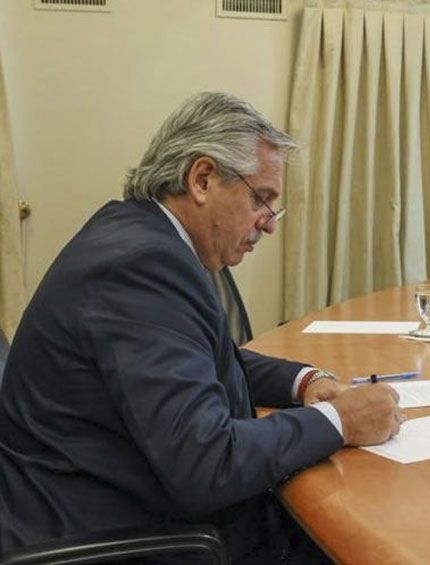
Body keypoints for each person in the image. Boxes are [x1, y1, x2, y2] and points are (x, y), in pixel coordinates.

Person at [0, 92, 404, 563]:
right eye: (262, 199)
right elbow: (207, 463)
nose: (269, 225)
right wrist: (341, 421)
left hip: (98, 498)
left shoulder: (137, 235)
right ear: (203, 179)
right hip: (118, 533)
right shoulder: (142, 267)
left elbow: (210, 357)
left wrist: (304, 381)